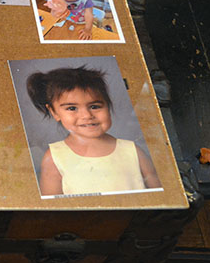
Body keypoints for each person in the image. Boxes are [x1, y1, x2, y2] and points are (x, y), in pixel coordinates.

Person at [26, 66, 161, 196]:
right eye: (72, 108)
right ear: (54, 112)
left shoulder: (132, 150)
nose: (87, 116)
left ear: (107, 105)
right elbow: (52, 209)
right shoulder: (54, 157)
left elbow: (161, 194)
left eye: (95, 106)